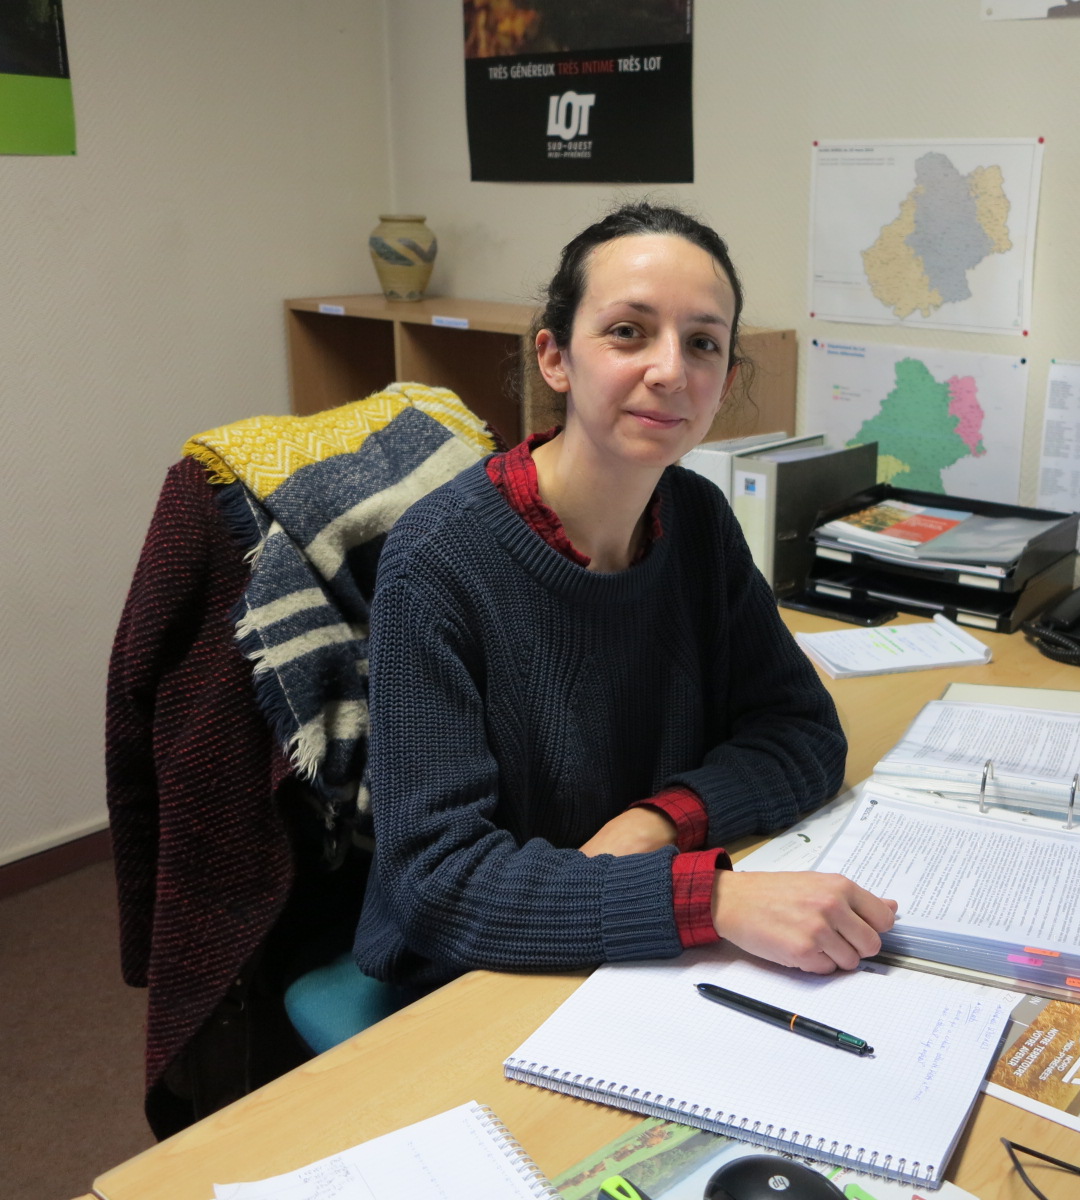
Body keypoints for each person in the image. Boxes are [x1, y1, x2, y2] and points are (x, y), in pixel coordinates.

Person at [353, 202, 897, 989]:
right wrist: (710, 901)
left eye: (703, 343)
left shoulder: (698, 521)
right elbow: (439, 886)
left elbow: (802, 736)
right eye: (628, 332)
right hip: (478, 972)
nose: (671, 369)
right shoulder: (439, 562)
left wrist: (663, 821)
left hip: (629, 941)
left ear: (726, 382)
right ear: (555, 358)